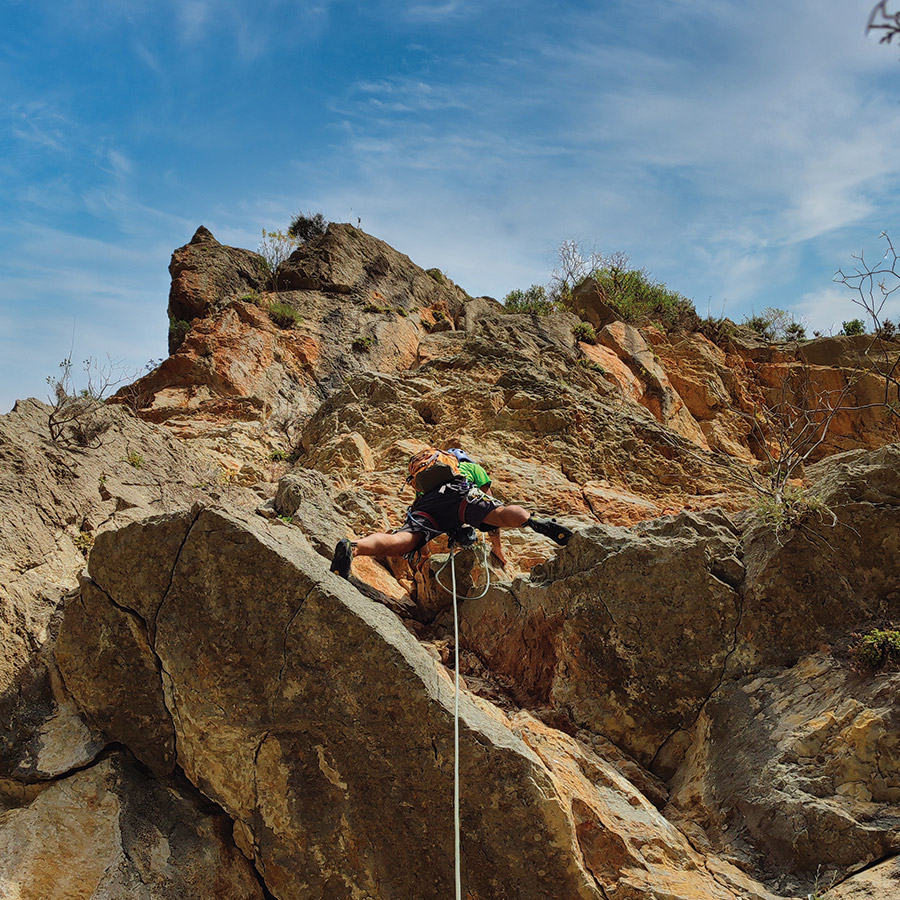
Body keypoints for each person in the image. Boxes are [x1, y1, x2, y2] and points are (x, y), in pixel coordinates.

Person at [330, 446, 573, 580]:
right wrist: (496, 547)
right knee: (501, 512)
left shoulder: (424, 483)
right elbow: (492, 509)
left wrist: (422, 552)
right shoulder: (472, 469)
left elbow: (417, 513)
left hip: (429, 505)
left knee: (399, 540)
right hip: (462, 496)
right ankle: (533, 521)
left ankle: (354, 547)